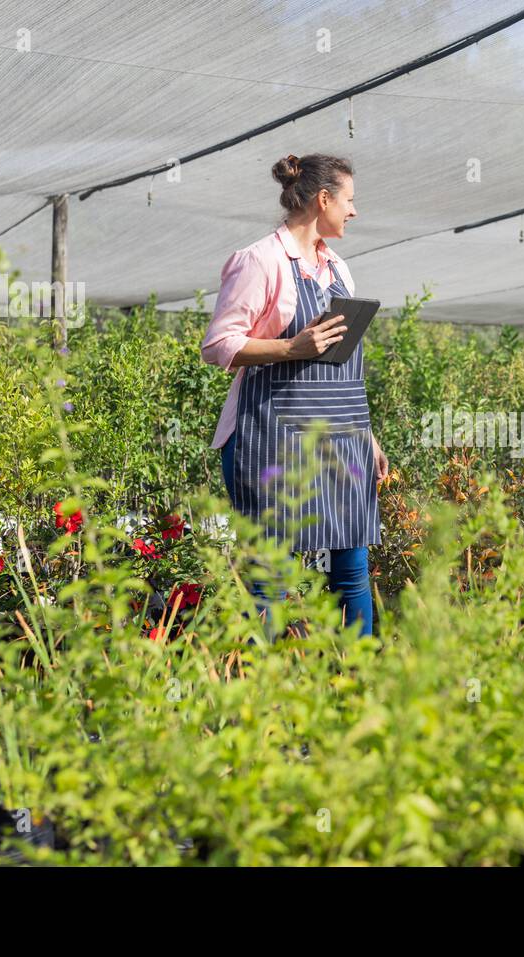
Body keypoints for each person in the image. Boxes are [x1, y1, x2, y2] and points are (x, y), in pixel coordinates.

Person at [201, 153, 388, 636]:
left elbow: (346, 364)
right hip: (271, 439)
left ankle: (358, 689)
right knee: (271, 579)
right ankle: (261, 695)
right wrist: (291, 346)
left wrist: (365, 436)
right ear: (323, 199)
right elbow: (218, 345)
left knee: (351, 574)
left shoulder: (340, 270)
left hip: (341, 439)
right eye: (349, 200)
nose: (354, 211)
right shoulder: (260, 261)